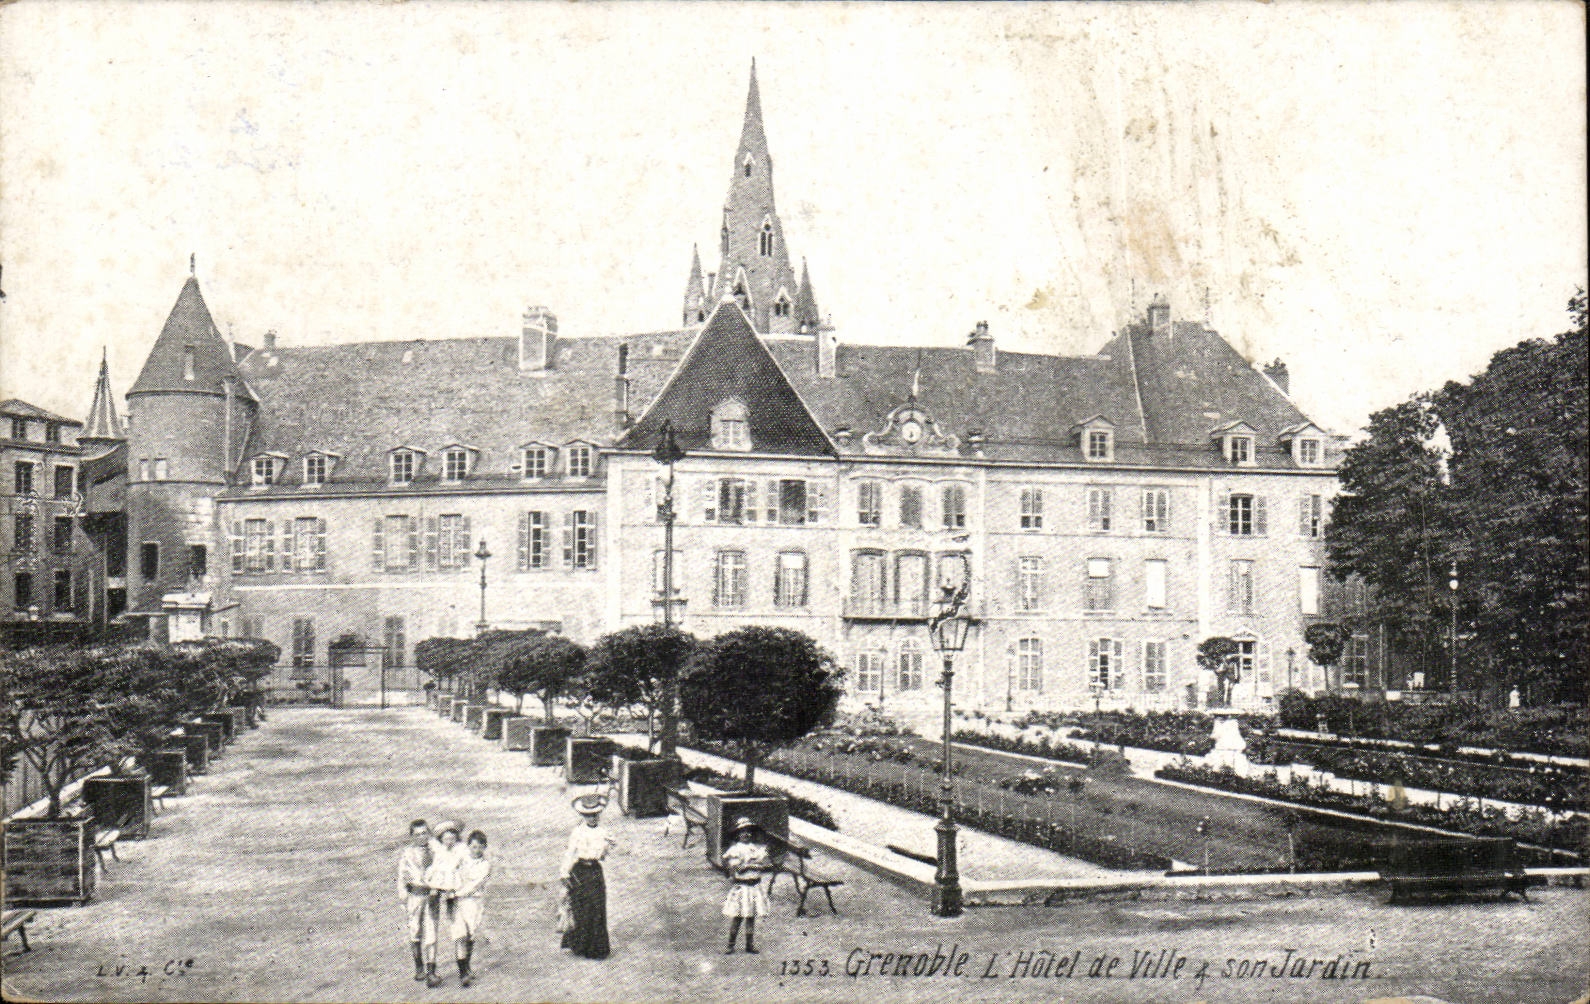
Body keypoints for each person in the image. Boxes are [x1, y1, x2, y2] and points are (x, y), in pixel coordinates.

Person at [560, 793, 614, 959]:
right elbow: (570, 853)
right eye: (589, 816)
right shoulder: (577, 832)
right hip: (580, 870)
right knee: (581, 908)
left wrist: (606, 847)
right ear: (583, 816)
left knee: (597, 907)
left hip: (595, 871)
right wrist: (564, 873)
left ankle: (596, 948)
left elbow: (603, 856)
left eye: (595, 815)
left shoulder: (604, 832)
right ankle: (580, 945)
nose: (592, 818)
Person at [720, 817, 773, 954]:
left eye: (748, 831)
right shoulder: (735, 849)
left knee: (751, 917)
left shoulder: (756, 849)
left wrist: (751, 865)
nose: (746, 834)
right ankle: (730, 944)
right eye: (743, 832)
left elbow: (765, 865)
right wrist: (753, 865)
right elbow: (738, 868)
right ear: (738, 834)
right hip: (742, 887)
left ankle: (749, 944)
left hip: (754, 886)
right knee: (737, 917)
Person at [397, 818, 438, 985]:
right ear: (412, 836)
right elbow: (402, 877)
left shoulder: (436, 851)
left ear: (428, 833)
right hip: (415, 897)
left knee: (432, 934)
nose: (422, 837)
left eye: (424, 833)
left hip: (432, 896)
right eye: (418, 834)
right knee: (415, 932)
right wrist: (404, 899)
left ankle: (431, 973)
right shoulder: (408, 854)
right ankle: (419, 968)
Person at [449, 830, 492, 987]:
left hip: (473, 902)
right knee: (459, 935)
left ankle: (466, 966)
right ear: (469, 846)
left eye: (480, 847)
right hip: (457, 902)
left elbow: (475, 885)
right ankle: (462, 973)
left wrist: (457, 893)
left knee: (470, 935)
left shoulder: (485, 865)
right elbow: (449, 872)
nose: (476, 850)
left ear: (484, 848)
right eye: (473, 847)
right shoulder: (462, 859)